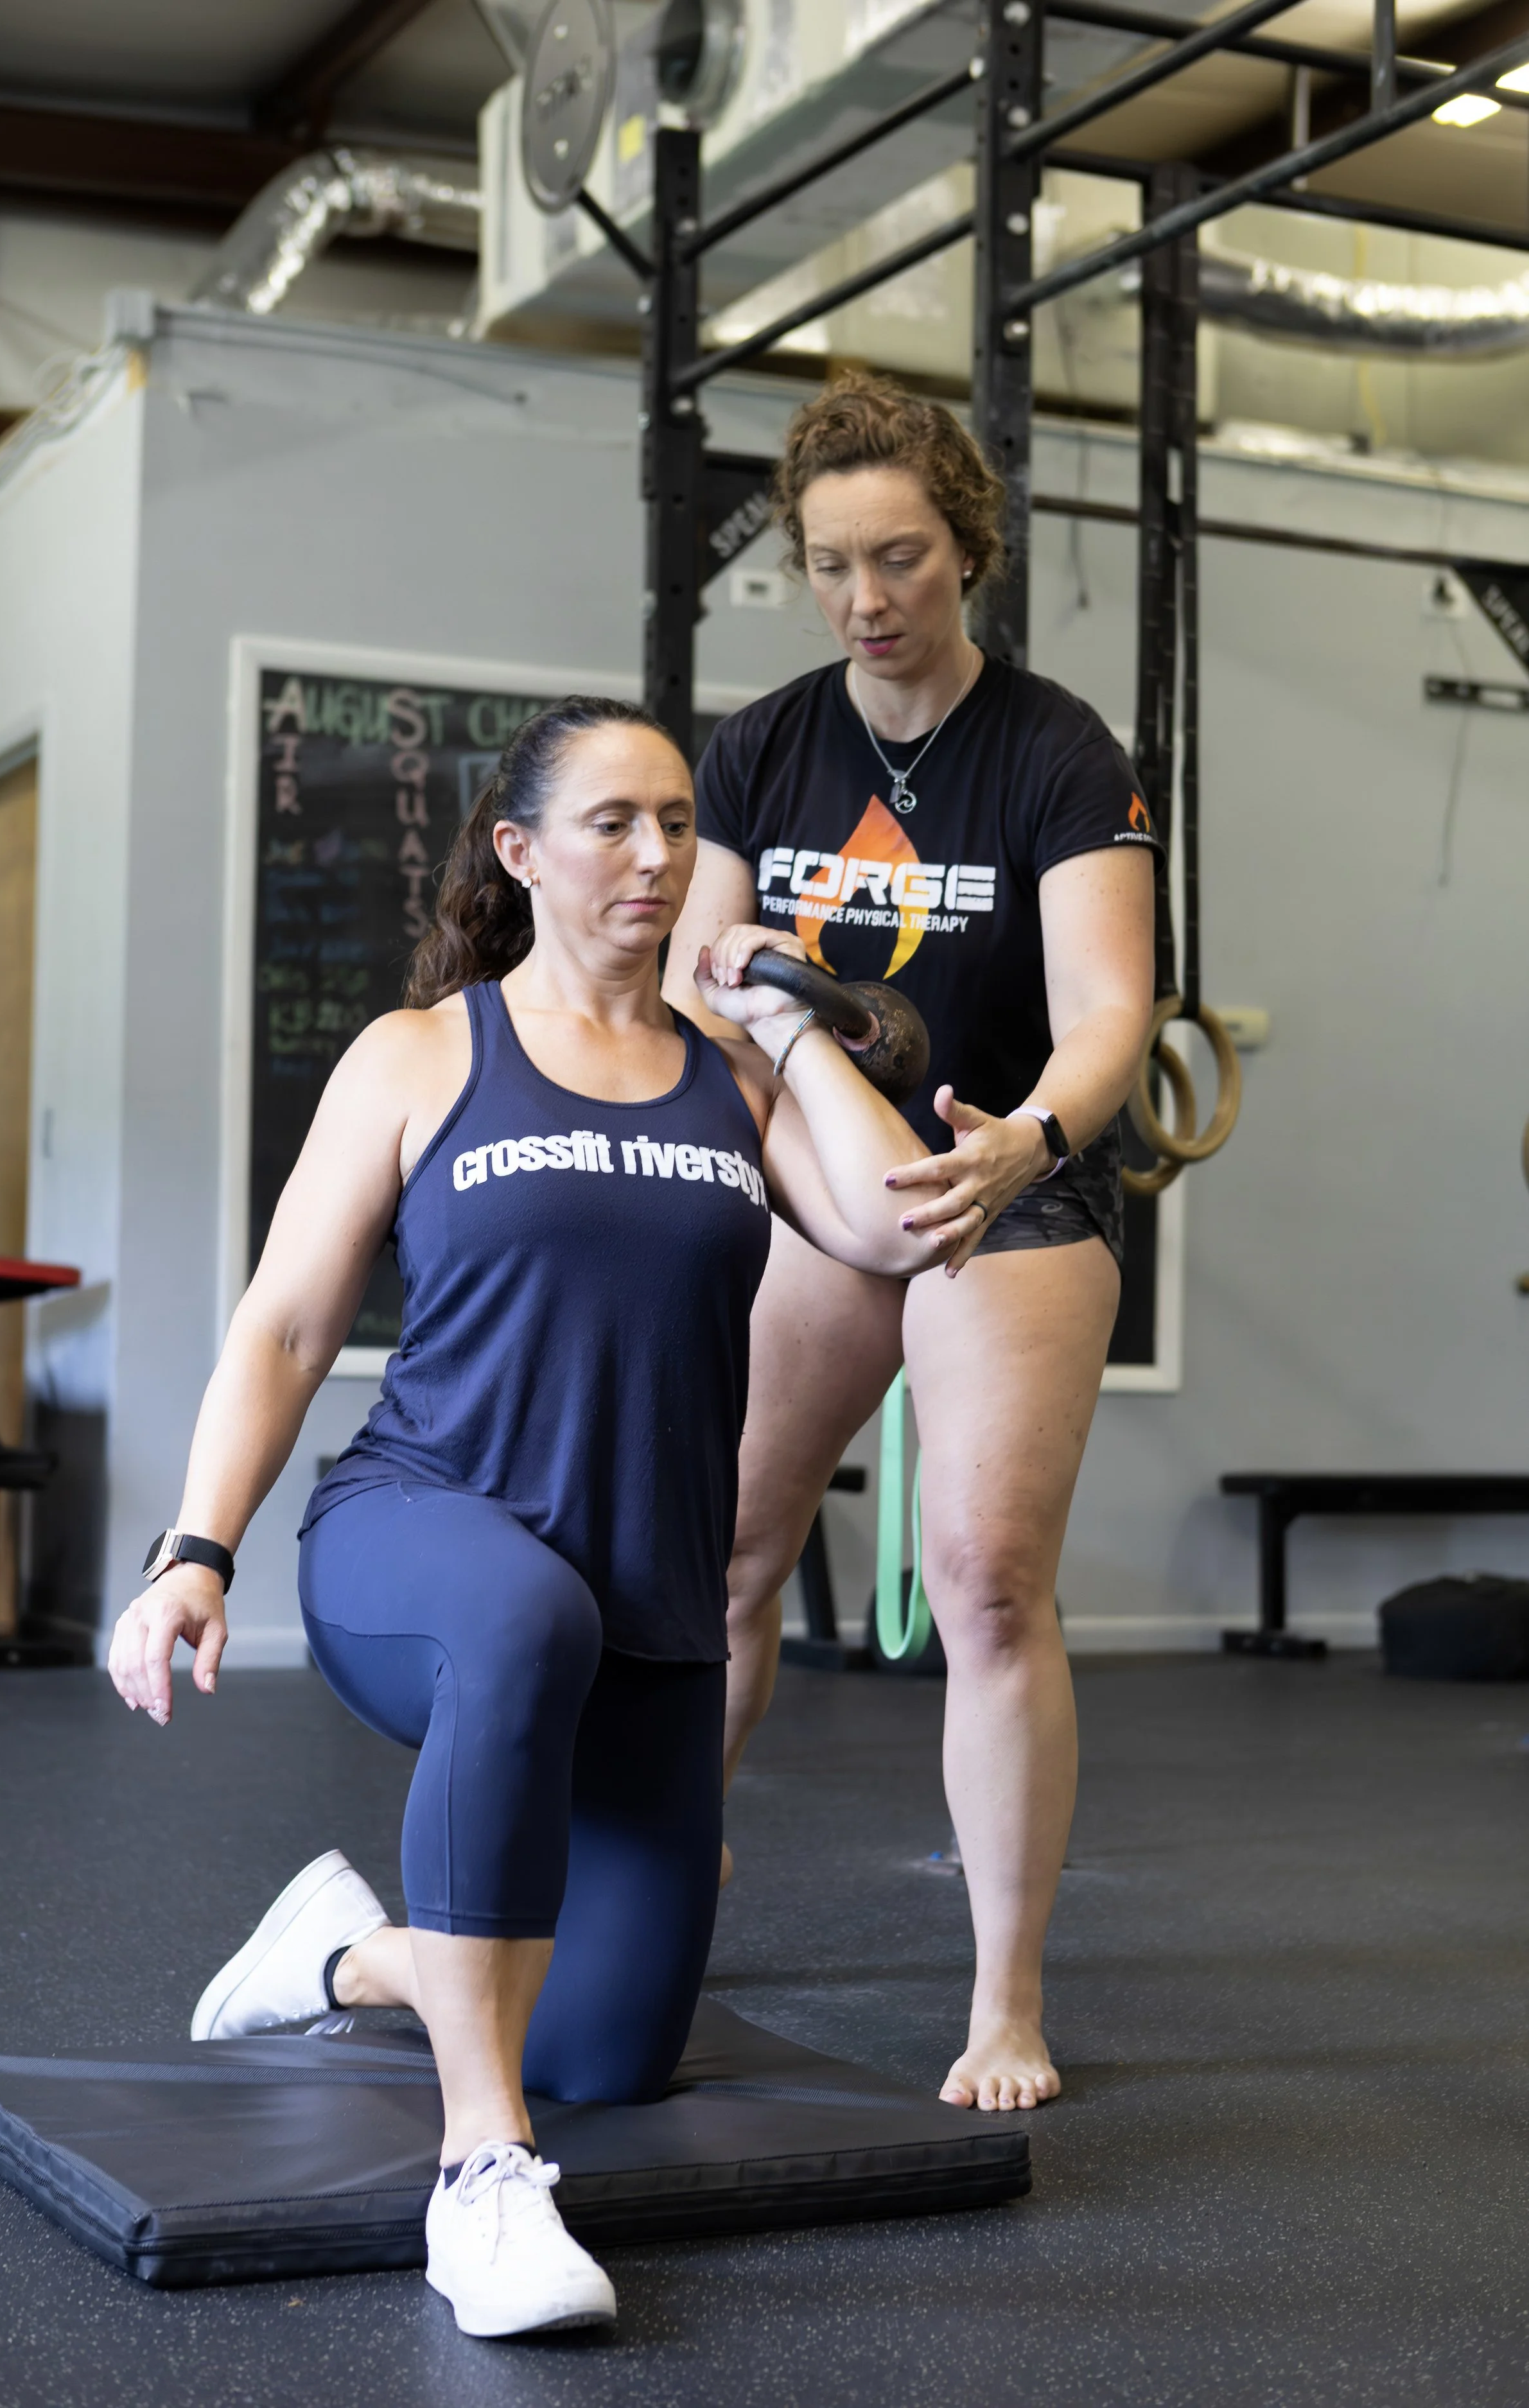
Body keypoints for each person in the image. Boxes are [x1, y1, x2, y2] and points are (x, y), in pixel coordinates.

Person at [107, 695, 951, 2343]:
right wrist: (194, 1548)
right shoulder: (425, 1053)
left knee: (605, 2053)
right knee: (515, 1619)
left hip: (645, 1616)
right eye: (612, 823)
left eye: (677, 825)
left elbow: (891, 1227)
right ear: (520, 851)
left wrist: (781, 1016)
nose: (654, 855)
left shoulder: (736, 1085)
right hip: (415, 1537)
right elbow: (283, 1326)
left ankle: (349, 1951)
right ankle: (480, 2174)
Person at [664, 371, 1158, 2117]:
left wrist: (1025, 1130)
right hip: (822, 1173)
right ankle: (661, 1883)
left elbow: (1111, 1009)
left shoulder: (1053, 749)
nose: (867, 597)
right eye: (829, 563)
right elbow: (696, 973)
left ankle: (1004, 1995)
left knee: (985, 1579)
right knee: (723, 1543)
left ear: (970, 552)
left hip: (1000, 1178)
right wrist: (799, 1123)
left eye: (901, 557)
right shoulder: (763, 743)